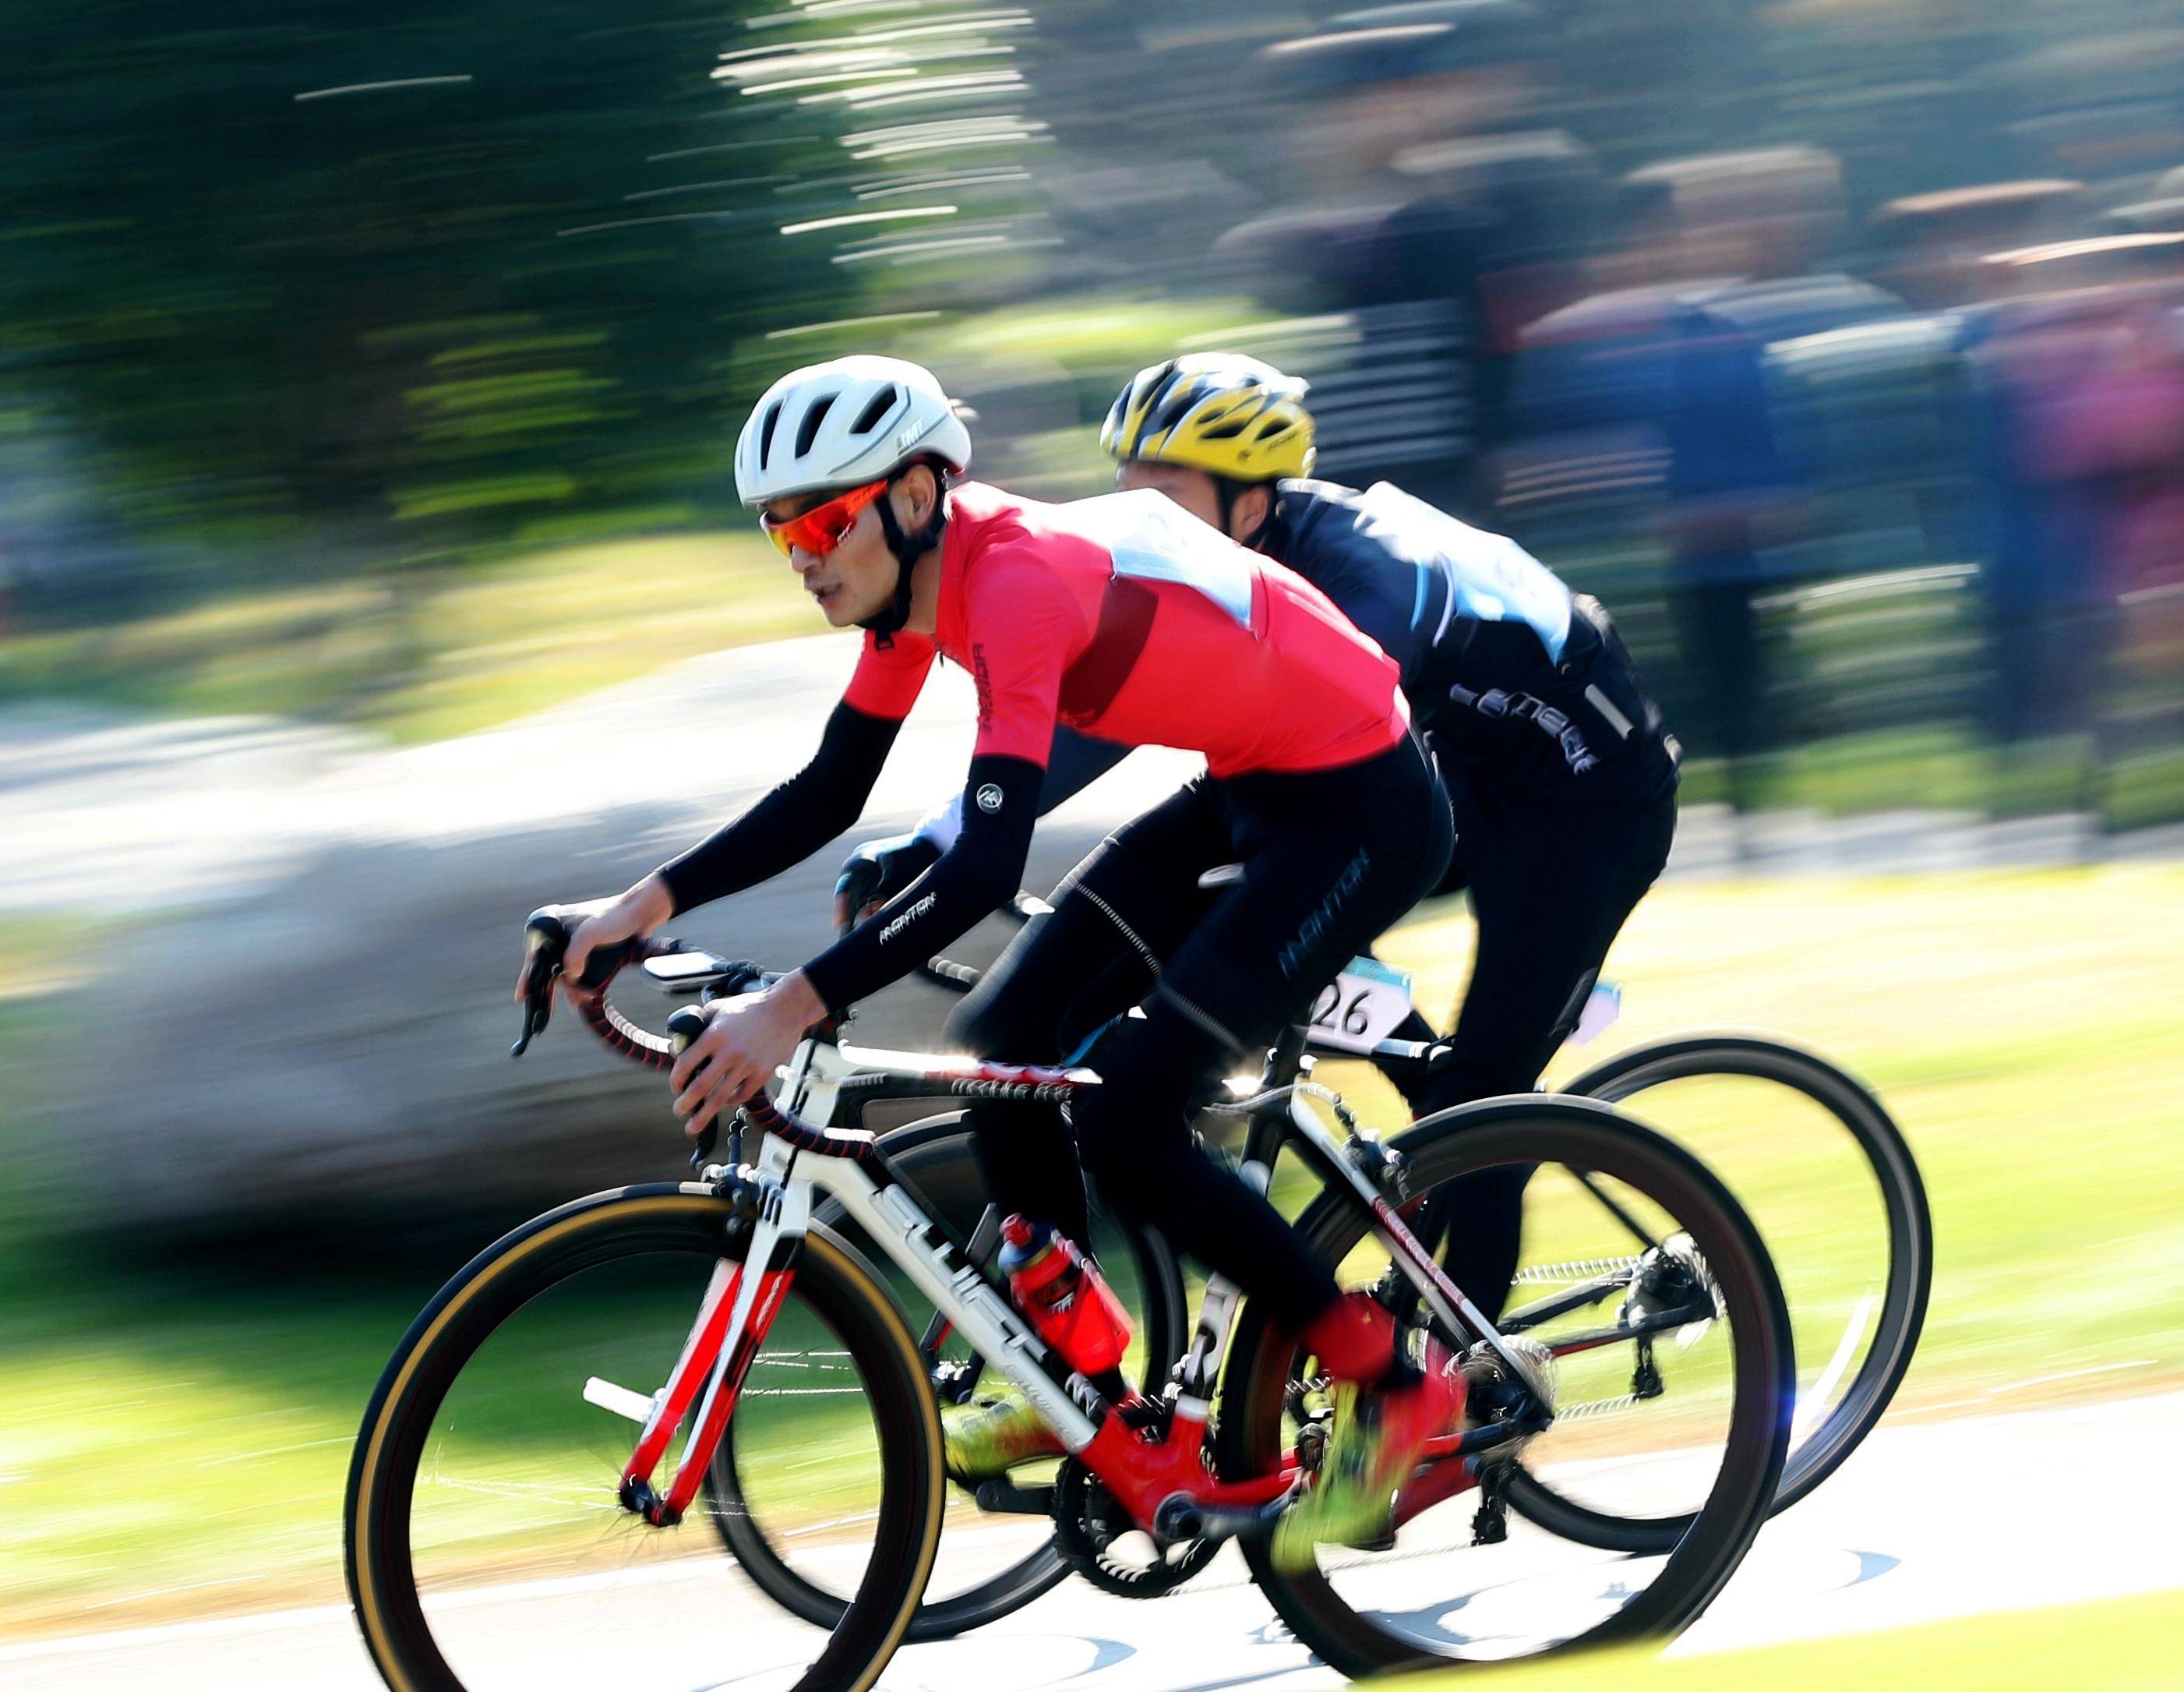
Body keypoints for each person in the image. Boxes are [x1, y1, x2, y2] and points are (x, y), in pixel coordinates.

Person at [522, 355, 1456, 1560]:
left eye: (822, 520)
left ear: (916, 496)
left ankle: (1390, 1377)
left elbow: (976, 869)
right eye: (778, 533)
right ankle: (1069, 1368)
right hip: (1248, 783)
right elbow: (826, 789)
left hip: (1360, 807)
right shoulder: (919, 592)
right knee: (995, 1047)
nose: (804, 553)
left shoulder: (1009, 581)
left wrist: (794, 1006)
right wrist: (633, 905)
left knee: (1129, 1107)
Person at [854, 352, 1680, 1326]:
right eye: (1126, 482)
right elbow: (1098, 709)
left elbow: (1357, 766)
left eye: (1163, 488)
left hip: (1576, 802)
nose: (1135, 510)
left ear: (1251, 506)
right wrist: (945, 832)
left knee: (1475, 1088)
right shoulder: (1202, 559)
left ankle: (1472, 1370)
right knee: (1198, 952)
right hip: (1438, 774)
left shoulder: (1369, 570)